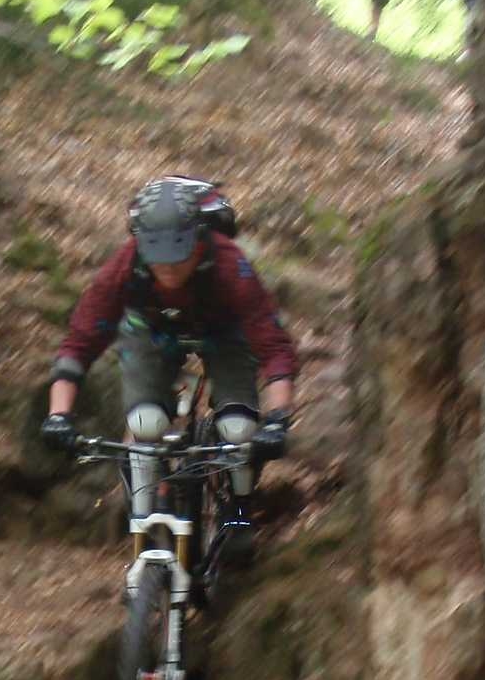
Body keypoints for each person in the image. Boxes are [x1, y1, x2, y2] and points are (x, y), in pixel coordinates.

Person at [40, 177, 298, 556]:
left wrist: (277, 419)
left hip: (223, 331)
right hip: (149, 330)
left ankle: (239, 515)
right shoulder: (125, 265)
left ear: (200, 242)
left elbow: (273, 346)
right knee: (145, 424)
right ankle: (143, 524)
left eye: (180, 257)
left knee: (238, 429)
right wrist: (58, 415)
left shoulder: (230, 265)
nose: (170, 269)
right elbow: (81, 341)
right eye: (158, 260)